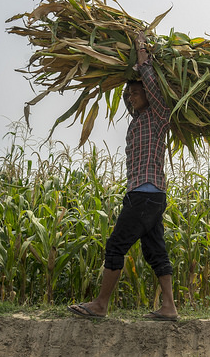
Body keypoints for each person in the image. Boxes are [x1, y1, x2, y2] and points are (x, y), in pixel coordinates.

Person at [67, 32, 178, 321]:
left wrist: (141, 51)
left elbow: (151, 82)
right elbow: (133, 93)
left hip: (145, 194)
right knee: (156, 251)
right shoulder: (138, 121)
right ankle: (169, 307)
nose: (131, 97)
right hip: (147, 195)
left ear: (149, 95)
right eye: (128, 94)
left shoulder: (158, 115)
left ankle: (100, 305)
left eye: (136, 92)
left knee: (116, 245)